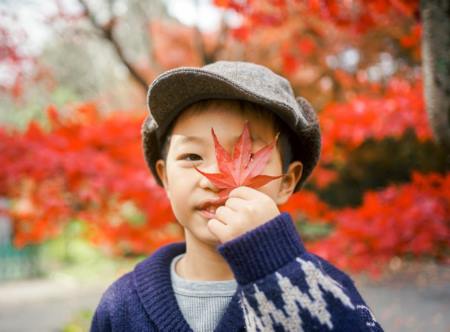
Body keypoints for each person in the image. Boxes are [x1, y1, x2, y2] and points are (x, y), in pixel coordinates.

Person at [90, 61, 384, 332]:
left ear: (286, 181)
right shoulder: (122, 306)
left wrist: (278, 268)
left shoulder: (321, 285)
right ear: (165, 176)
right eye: (192, 155)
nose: (215, 176)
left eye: (249, 155)